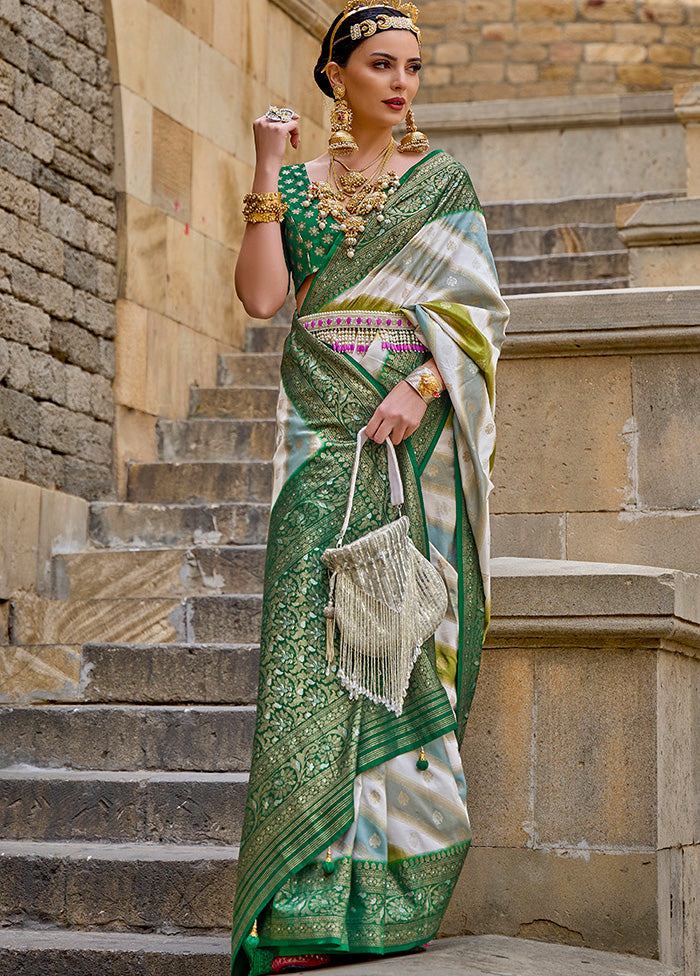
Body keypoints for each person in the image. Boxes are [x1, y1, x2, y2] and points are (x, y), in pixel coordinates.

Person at [231, 3, 509, 974]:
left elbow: (477, 312)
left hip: (410, 442)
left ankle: (394, 897)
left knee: (399, 649)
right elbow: (265, 298)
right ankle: (304, 905)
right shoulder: (302, 186)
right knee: (313, 664)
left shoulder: (440, 185)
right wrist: (267, 171)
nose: (400, 82)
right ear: (336, 75)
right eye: (381, 64)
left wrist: (421, 380)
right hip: (316, 441)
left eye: (414, 67)